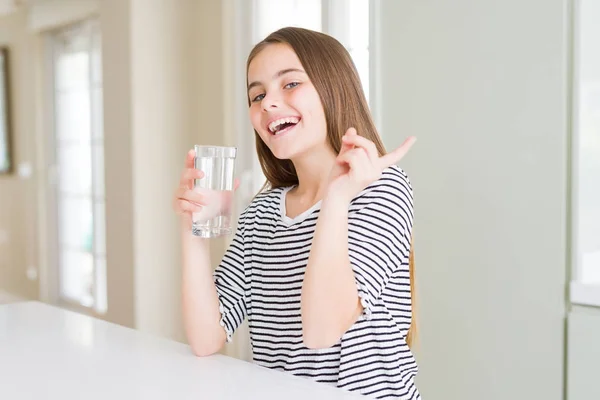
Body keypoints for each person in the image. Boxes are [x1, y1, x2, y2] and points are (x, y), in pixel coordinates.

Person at [174, 27, 419, 400]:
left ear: (332, 88)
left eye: (289, 84)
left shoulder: (382, 190)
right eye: (257, 95)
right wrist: (192, 231)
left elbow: (322, 331)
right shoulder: (263, 212)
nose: (268, 103)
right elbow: (207, 337)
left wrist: (336, 200)